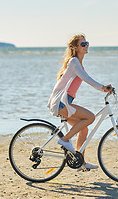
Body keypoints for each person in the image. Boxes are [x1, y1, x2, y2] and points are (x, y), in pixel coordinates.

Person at [47, 34, 113, 170]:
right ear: (76, 48)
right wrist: (103, 88)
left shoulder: (78, 63)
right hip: (61, 103)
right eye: (83, 44)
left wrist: (102, 88)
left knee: (84, 129)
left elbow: (85, 78)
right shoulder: (74, 62)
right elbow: (87, 79)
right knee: (90, 117)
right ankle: (65, 139)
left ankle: (80, 163)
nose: (86, 46)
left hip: (64, 102)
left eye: (87, 43)